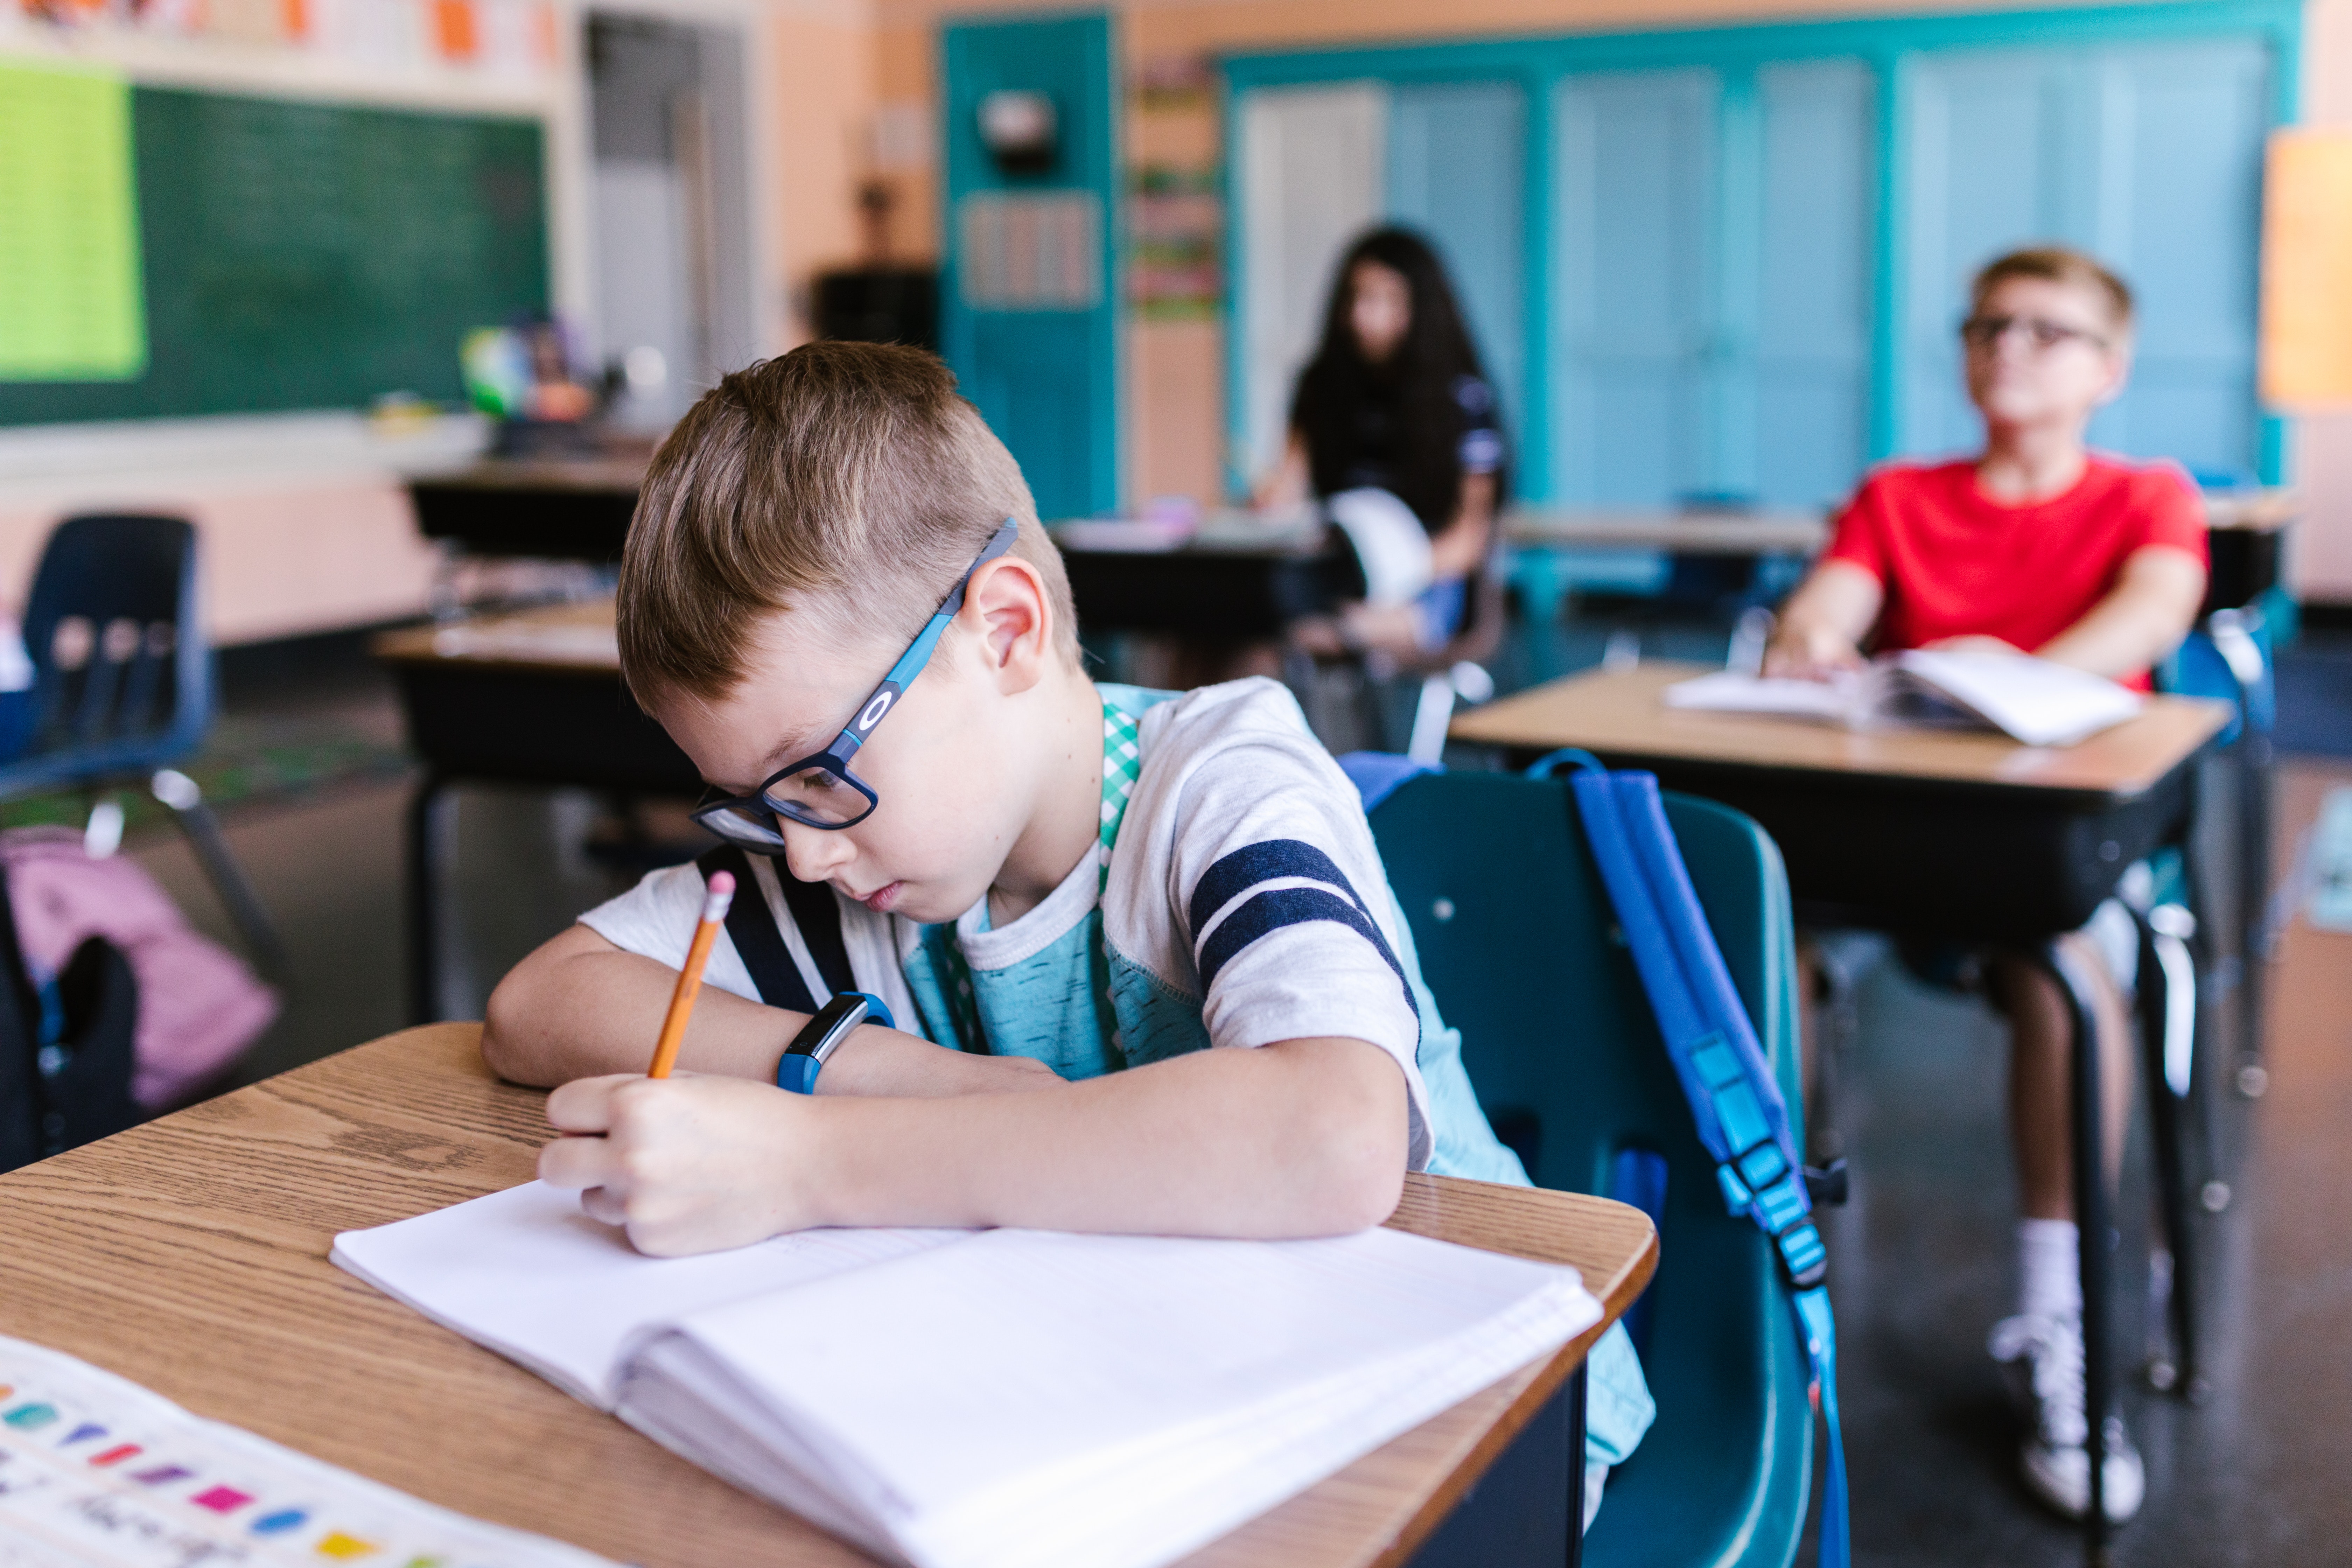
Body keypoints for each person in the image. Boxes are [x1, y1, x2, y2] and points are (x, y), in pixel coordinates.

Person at [482, 341, 1652, 1525]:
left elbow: (1334, 1133)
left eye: (817, 778)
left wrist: (806, 1162)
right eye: (756, 803)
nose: (799, 853)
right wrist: (894, 1074)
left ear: (1003, 632)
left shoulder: (1221, 778)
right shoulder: (869, 856)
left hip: (1471, 1425)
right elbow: (543, 1000)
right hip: (1154, 1408)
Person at [1766, 246, 2209, 1523]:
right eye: (1983, 325)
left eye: (2042, 329)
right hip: (1896, 834)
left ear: (2105, 371)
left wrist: (2012, 694)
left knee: (2065, 978)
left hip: (2045, 854)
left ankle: (2055, 1314)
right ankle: (1756, 1292)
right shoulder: (1896, 495)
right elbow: (1822, 615)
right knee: (1746, 944)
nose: (2003, 346)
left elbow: (2148, 617)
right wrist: (1809, 641)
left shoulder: (2147, 496)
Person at [1259, 227, 1506, 665]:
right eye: (1357, 297)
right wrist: (1268, 504)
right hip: (1338, 566)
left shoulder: (1462, 400)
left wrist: (1390, 568)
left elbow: (1467, 539)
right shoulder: (1320, 387)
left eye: (1386, 299)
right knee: (1224, 628)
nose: (1364, 316)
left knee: (1307, 629)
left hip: (1425, 579)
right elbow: (1287, 488)